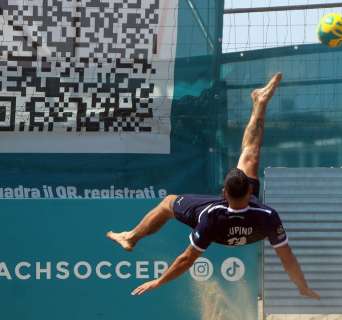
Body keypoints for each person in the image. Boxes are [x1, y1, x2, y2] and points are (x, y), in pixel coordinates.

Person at [107, 73, 320, 299]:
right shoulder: (267, 215)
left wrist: (159, 281)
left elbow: (186, 259)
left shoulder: (210, 216)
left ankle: (131, 237)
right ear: (251, 190)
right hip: (251, 228)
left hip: (219, 230)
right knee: (251, 154)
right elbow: (287, 257)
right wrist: (302, 287)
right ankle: (260, 102)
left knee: (169, 202)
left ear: (223, 193)